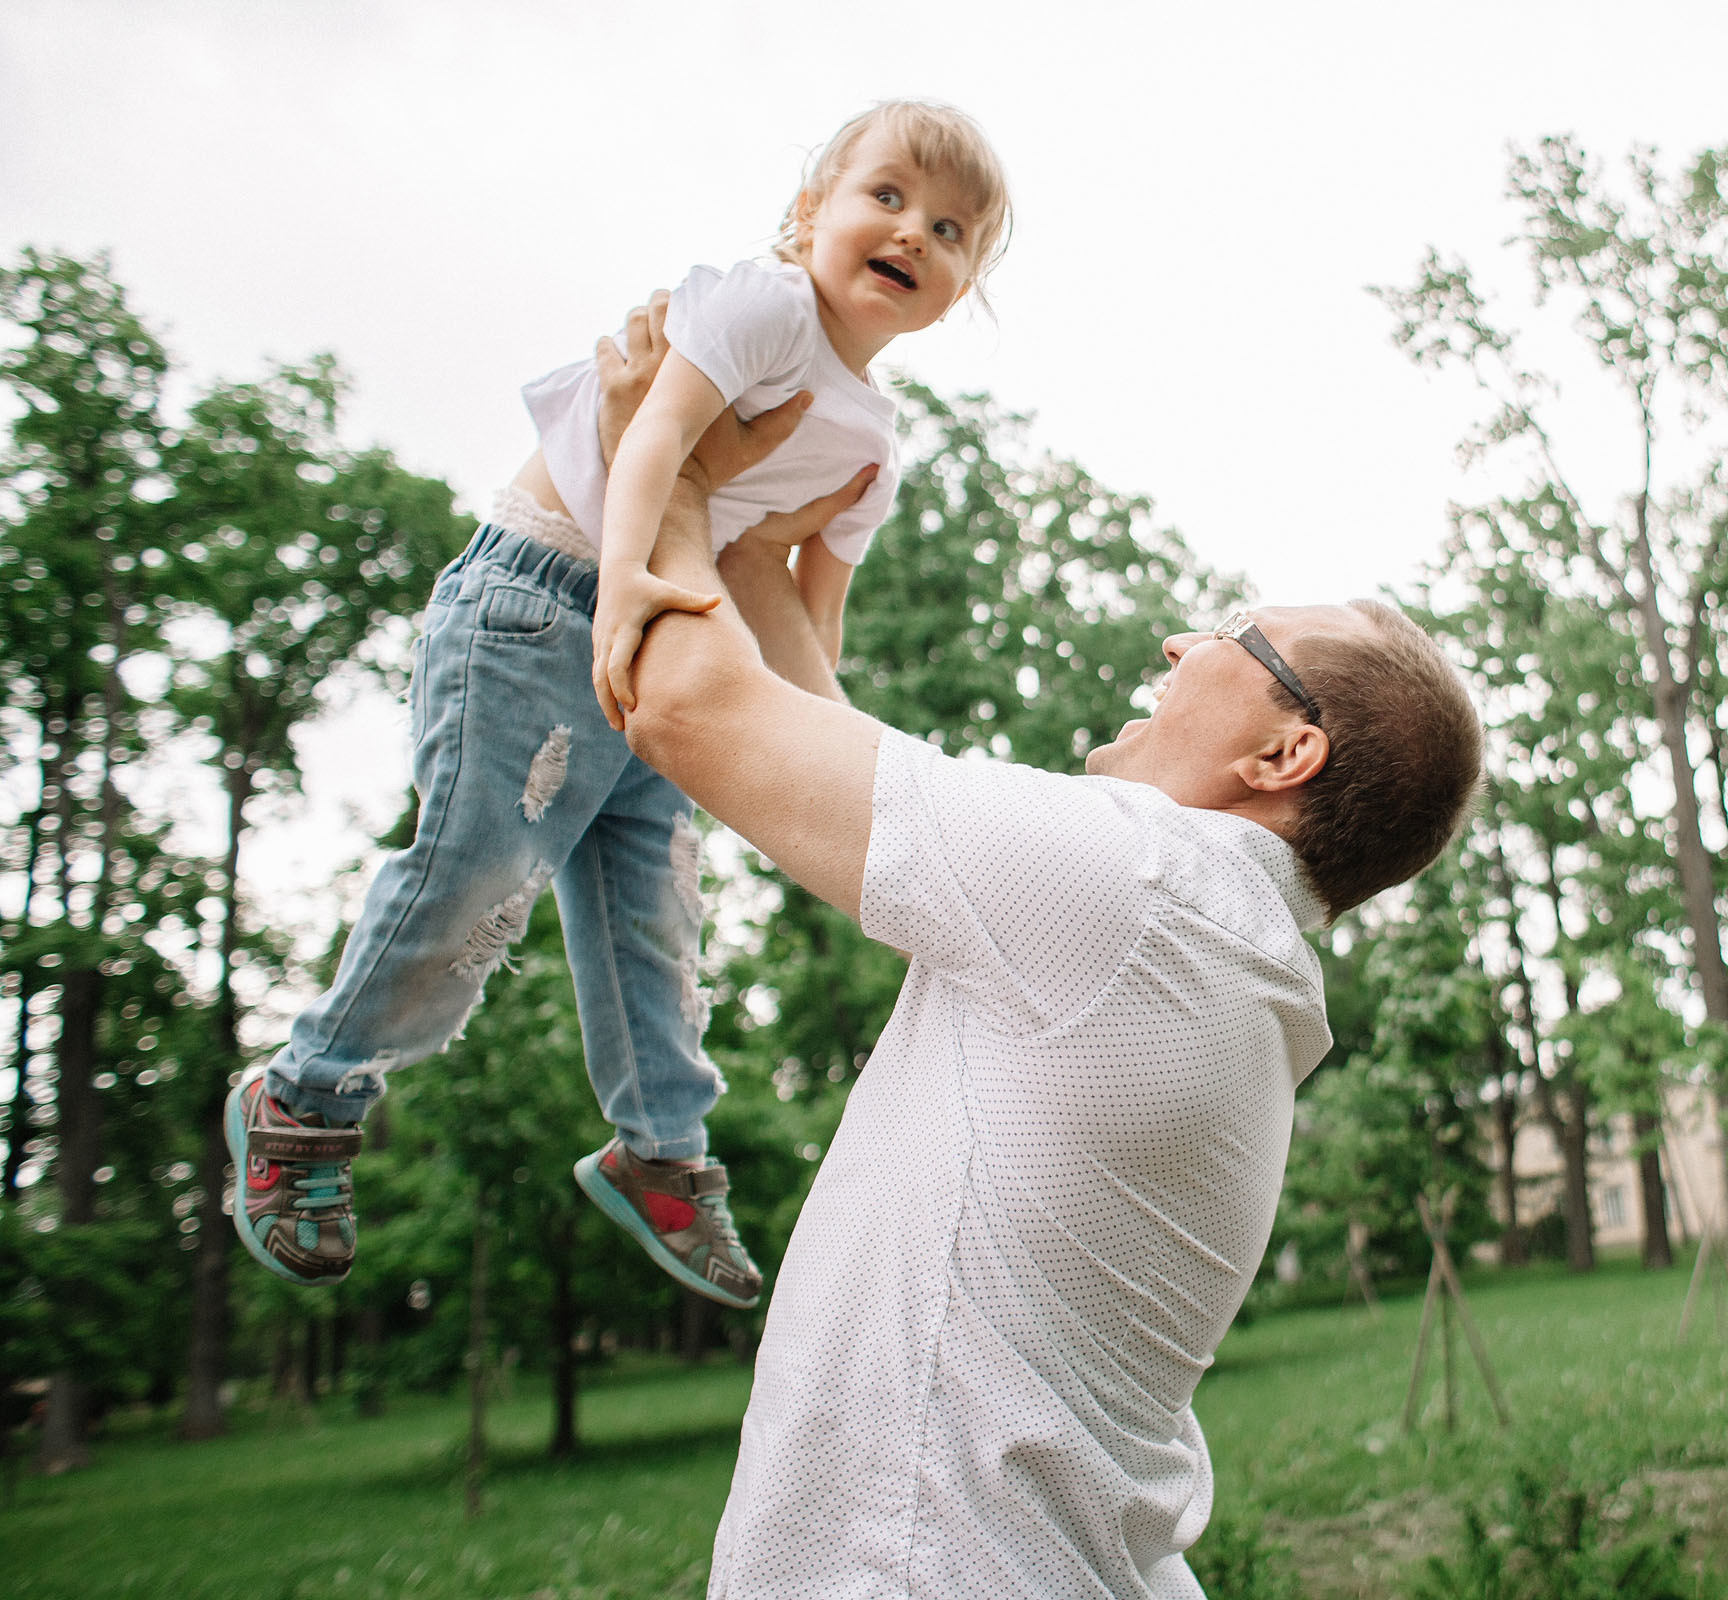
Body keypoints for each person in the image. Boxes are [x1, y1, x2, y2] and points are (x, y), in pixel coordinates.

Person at [606, 339, 1486, 1596]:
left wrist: (667, 463)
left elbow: (685, 706)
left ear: (1287, 754)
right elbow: (845, 761)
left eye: (1237, 633)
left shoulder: (1138, 890)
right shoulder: (1198, 938)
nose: (1185, 641)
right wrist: (749, 546)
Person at [222, 101, 1012, 1310]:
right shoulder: (761, 306)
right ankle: (306, 1093)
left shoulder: (872, 448)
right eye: (888, 196)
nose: (915, 231)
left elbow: (811, 615)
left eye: (953, 228)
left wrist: (851, 761)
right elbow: (650, 433)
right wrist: (631, 580)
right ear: (809, 216)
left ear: (959, 285)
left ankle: (663, 1151)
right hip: (544, 598)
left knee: (657, 909)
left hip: (666, 651)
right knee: (480, 873)